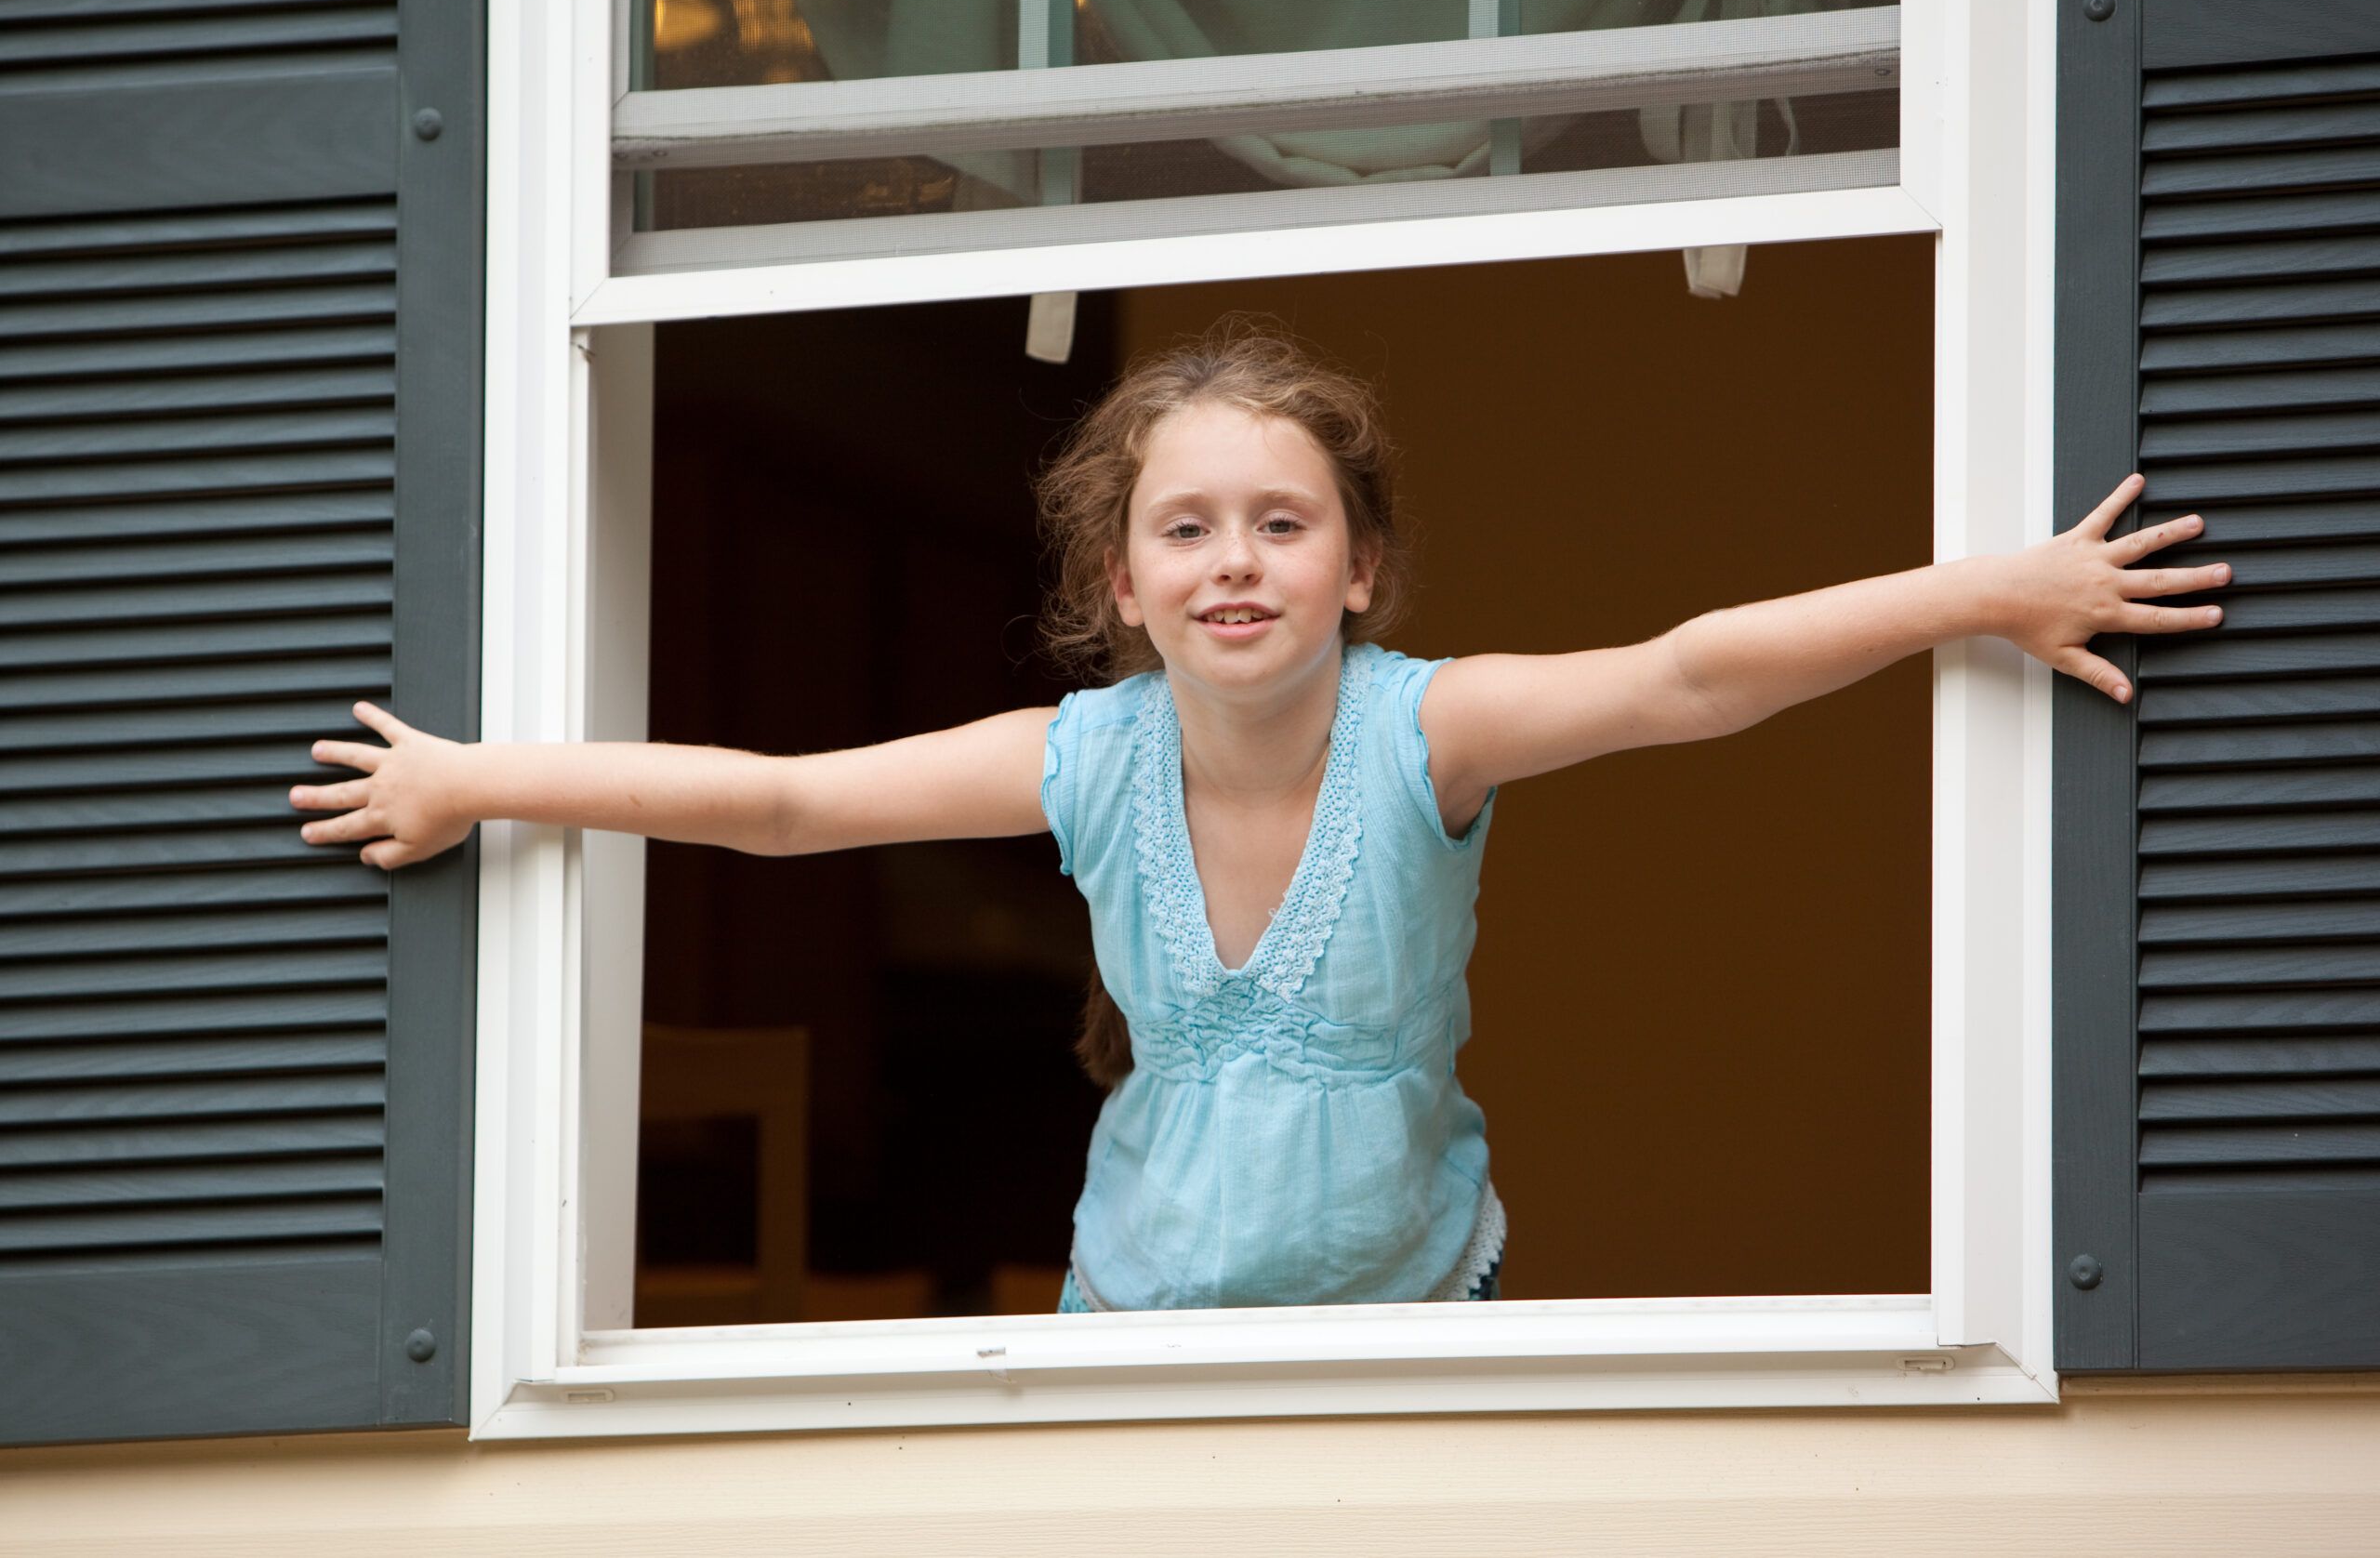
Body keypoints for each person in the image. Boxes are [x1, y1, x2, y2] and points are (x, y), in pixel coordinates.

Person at [293, 331, 2227, 1313]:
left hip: (1417, 1310)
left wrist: (1988, 589)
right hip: (1133, 1317)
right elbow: (785, 803)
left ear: (1359, 565)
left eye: (1281, 523)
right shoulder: (1085, 758)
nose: (1236, 563)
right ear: (1118, 583)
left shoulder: (1428, 730)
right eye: (1186, 528)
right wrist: (471, 775)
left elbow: (1686, 672)